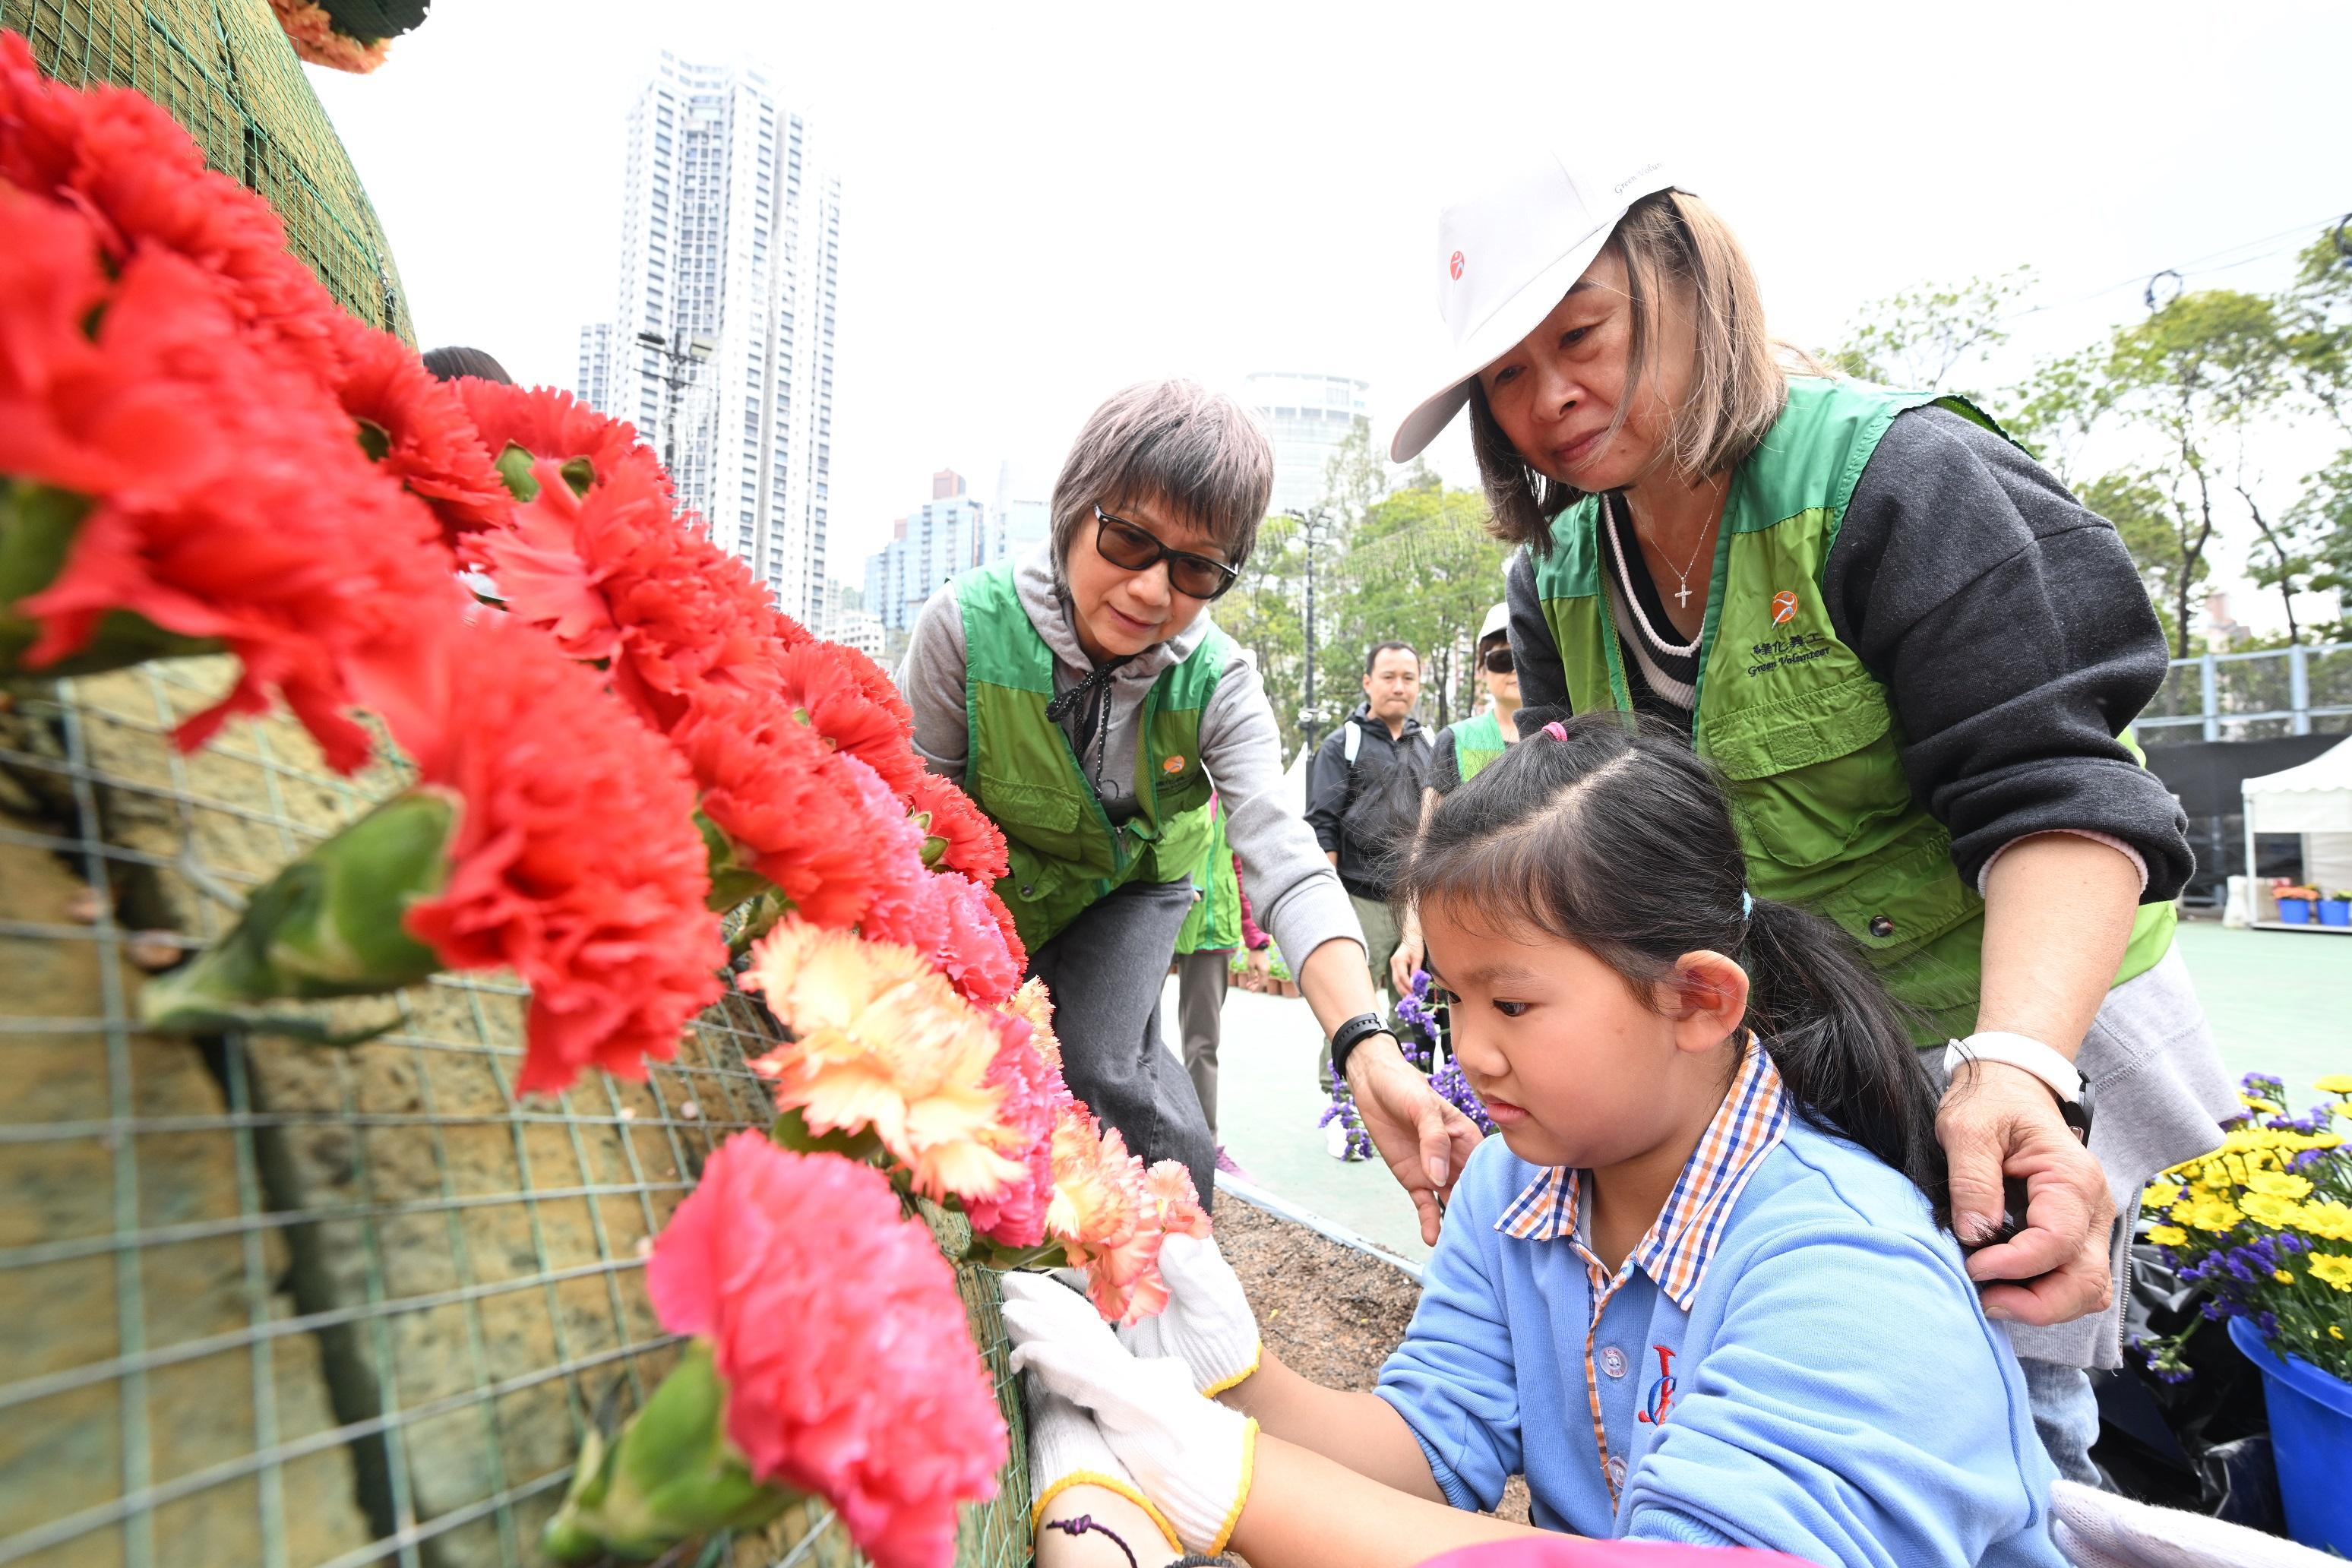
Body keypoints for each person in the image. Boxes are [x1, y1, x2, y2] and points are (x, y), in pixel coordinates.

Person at [1341, 144, 2235, 1479]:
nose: (1549, 399)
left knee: (2137, 1412)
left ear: (1686, 280)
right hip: (1814, 1047)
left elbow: (2056, 793)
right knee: (1886, 1409)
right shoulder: (1559, 577)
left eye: (1578, 335)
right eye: (1505, 377)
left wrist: (2016, 1061)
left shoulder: (1898, 481)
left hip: (2034, 1023)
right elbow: (1576, 828)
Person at [1008, 719, 2069, 1568]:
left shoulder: (1845, 1270)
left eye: (1512, 1005)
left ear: (1698, 998)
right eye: (1450, 1002)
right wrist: (1235, 1378)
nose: (1470, 1053)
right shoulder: (1520, 1186)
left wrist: (1229, 1479)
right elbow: (1430, 1451)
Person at [899, 379, 1478, 1211]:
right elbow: (919, 826)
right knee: (965, 1047)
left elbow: (1286, 860)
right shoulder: (962, 628)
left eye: (1197, 567)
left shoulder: (1220, 680)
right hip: (985, 886)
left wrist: (1367, 1046)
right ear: (1073, 509)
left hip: (1129, 890)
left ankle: (1176, 1254)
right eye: (1129, 540)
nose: (1150, 591)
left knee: (1103, 1060)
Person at [1393, 602, 1522, 993]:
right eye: (1501, 659)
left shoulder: (1566, 732)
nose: (1514, 669)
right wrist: (1414, 934)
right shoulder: (1458, 740)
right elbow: (1426, 842)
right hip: (1468, 920)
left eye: (1523, 654)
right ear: (1483, 671)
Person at [1305, 641, 1434, 1016]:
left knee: (1414, 1014)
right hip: (1360, 898)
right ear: (1367, 682)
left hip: (1417, 900)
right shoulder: (1342, 744)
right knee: (1351, 1009)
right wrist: (1329, 902)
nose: (1399, 687)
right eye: (1389, 677)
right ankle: (1338, 1078)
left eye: (1408, 678)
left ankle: (1416, 1075)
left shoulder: (1429, 742)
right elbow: (1322, 823)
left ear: (1419, 684)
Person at [1170, 791, 1269, 1164]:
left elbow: (1241, 866)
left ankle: (1203, 1147)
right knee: (1134, 1038)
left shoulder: (1233, 792)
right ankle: (1136, 1137)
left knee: (1202, 1045)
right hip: (1161, 916)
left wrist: (1256, 940)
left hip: (1214, 928)